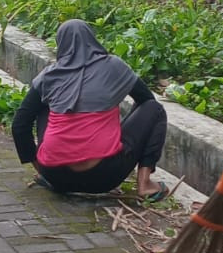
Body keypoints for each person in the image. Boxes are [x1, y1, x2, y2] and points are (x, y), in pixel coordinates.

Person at [11, 20, 171, 200]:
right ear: (92, 39)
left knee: (42, 106)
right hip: (104, 176)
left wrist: (42, 170)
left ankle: (43, 174)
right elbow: (146, 100)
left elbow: (19, 125)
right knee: (154, 109)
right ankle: (145, 184)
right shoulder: (113, 66)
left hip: (55, 175)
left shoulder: (49, 76)